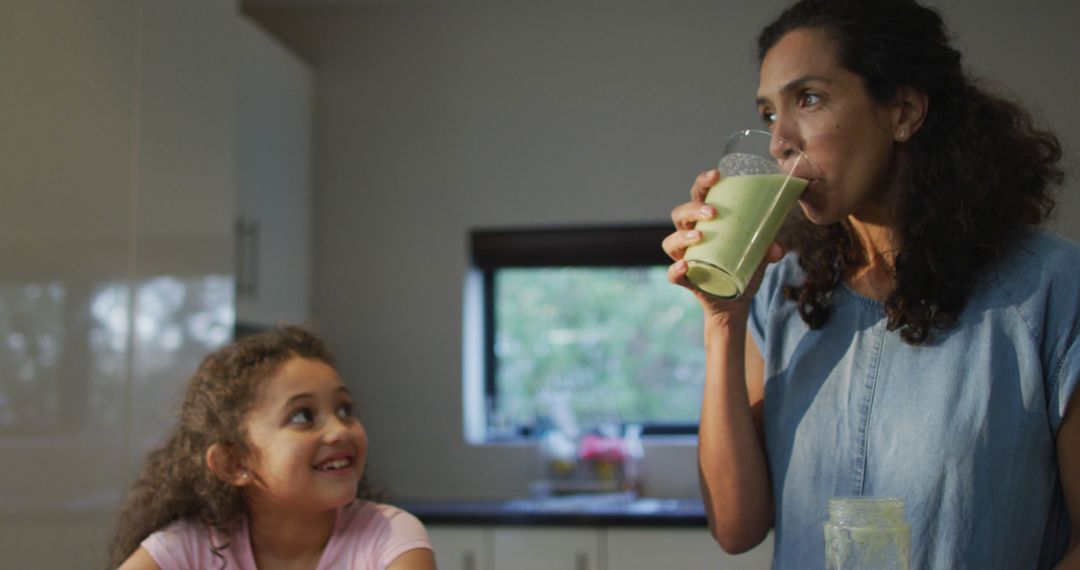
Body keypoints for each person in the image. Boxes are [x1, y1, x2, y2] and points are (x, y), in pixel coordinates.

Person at [662, 0, 1080, 568]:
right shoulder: (783, 293)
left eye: (808, 99)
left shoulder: (1051, 288)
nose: (780, 140)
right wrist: (722, 321)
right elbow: (737, 527)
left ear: (903, 111)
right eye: (768, 115)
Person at [109, 325, 436, 570]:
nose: (339, 430)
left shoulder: (390, 537)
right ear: (233, 462)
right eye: (303, 416)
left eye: (344, 409)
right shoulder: (188, 546)